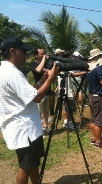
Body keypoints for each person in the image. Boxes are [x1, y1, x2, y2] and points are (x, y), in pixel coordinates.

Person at [0, 36, 58, 184]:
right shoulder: (13, 73)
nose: (26, 56)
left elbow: (28, 94)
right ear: (12, 51)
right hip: (25, 130)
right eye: (23, 52)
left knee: (32, 163)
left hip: (24, 127)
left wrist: (43, 79)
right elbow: (37, 98)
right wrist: (51, 78)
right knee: (25, 166)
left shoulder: (5, 70)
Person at [30, 48, 53, 136]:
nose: (44, 55)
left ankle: (45, 127)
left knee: (46, 111)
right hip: (39, 90)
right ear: (36, 55)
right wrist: (44, 59)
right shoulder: (33, 64)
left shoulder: (47, 64)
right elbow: (38, 70)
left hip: (47, 90)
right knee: (39, 112)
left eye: (45, 54)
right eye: (42, 54)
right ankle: (38, 129)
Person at [54, 51, 77, 129]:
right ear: (68, 57)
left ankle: (66, 122)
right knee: (70, 108)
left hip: (62, 90)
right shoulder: (66, 65)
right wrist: (85, 72)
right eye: (70, 57)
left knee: (65, 107)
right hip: (67, 91)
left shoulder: (59, 65)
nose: (71, 58)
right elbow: (73, 74)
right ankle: (70, 123)